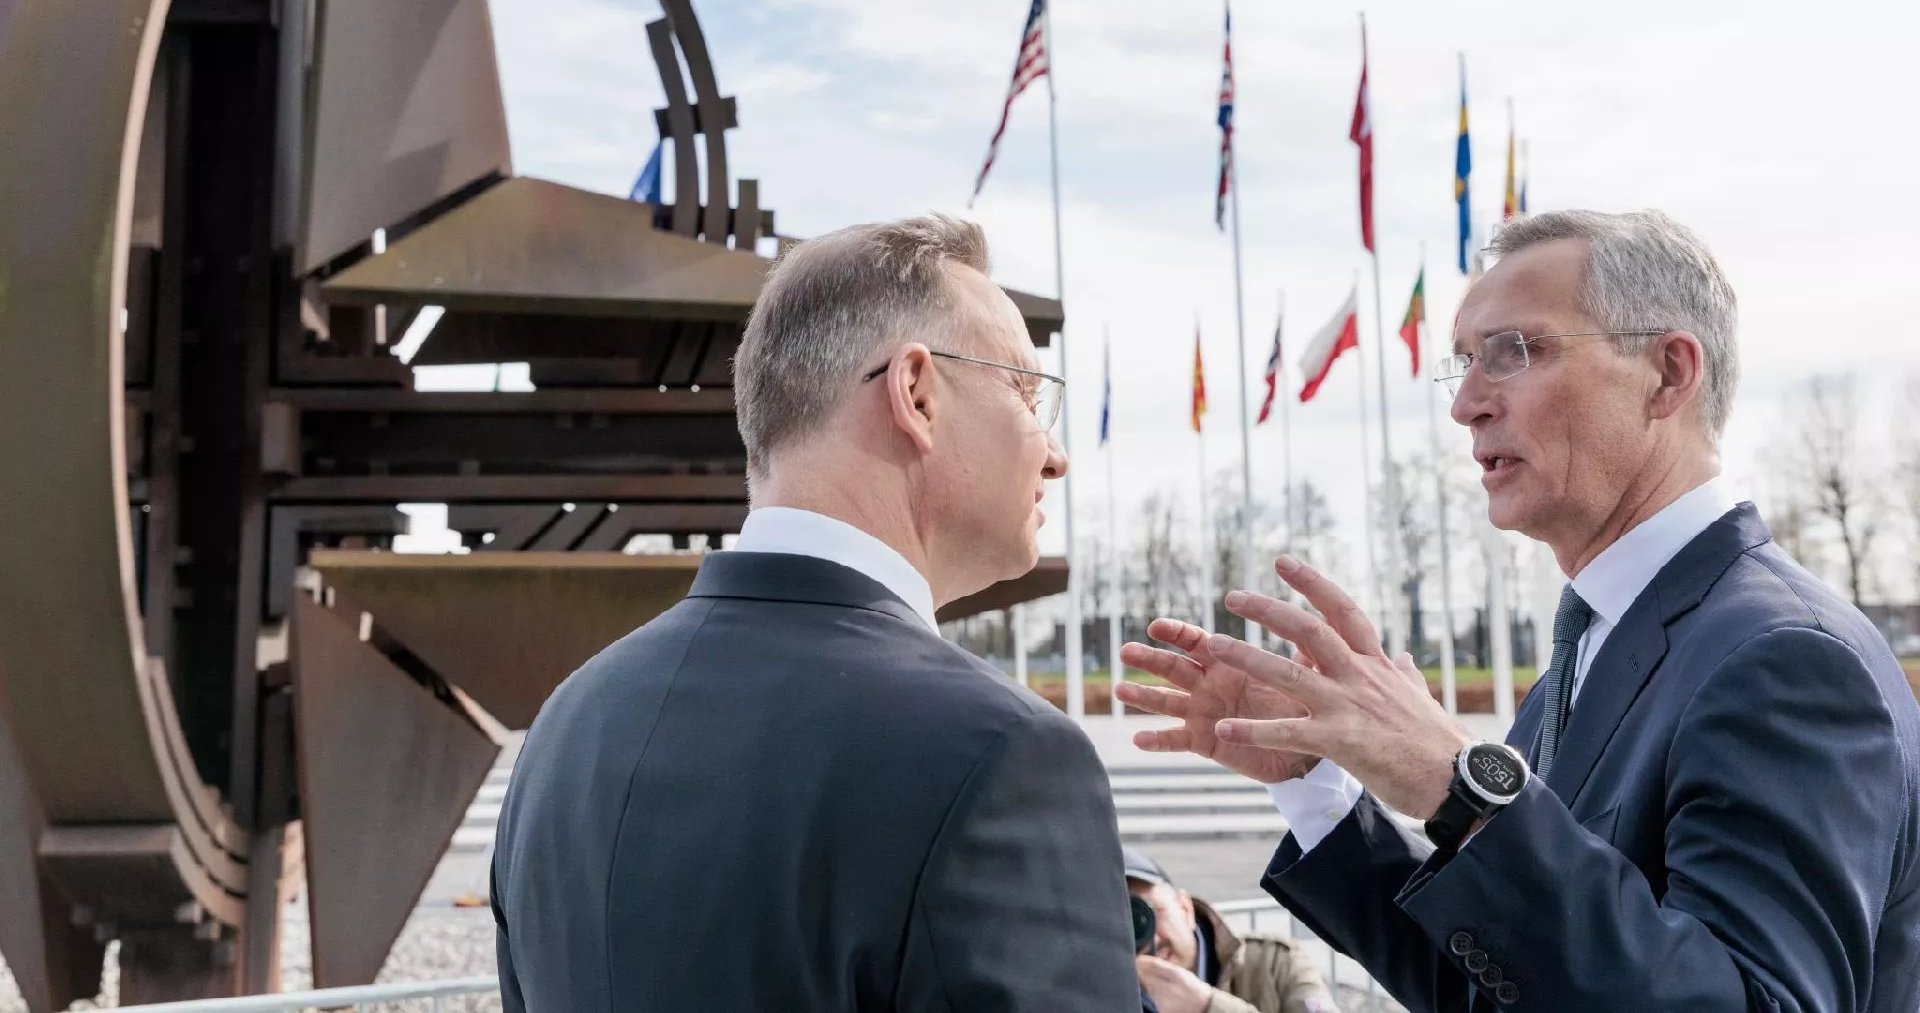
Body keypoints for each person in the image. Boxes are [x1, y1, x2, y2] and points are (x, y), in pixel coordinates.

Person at [1119, 210, 1920, 1012]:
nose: (1466, 403)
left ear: (1669, 374)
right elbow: (1496, 985)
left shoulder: (1786, 657)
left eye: (1514, 351)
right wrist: (1315, 782)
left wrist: (1460, 789)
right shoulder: (1589, 655)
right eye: (1465, 362)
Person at [489, 213, 1137, 1010]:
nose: (1055, 454)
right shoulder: (1001, 753)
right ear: (917, 394)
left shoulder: (569, 724)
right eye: (1028, 393)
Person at [1124, 846, 1338, 1013]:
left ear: (1185, 908)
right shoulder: (1109, 989)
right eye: (1125, 923)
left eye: (1149, 914)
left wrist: (1207, 1006)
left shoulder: (1274, 963)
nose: (1150, 938)